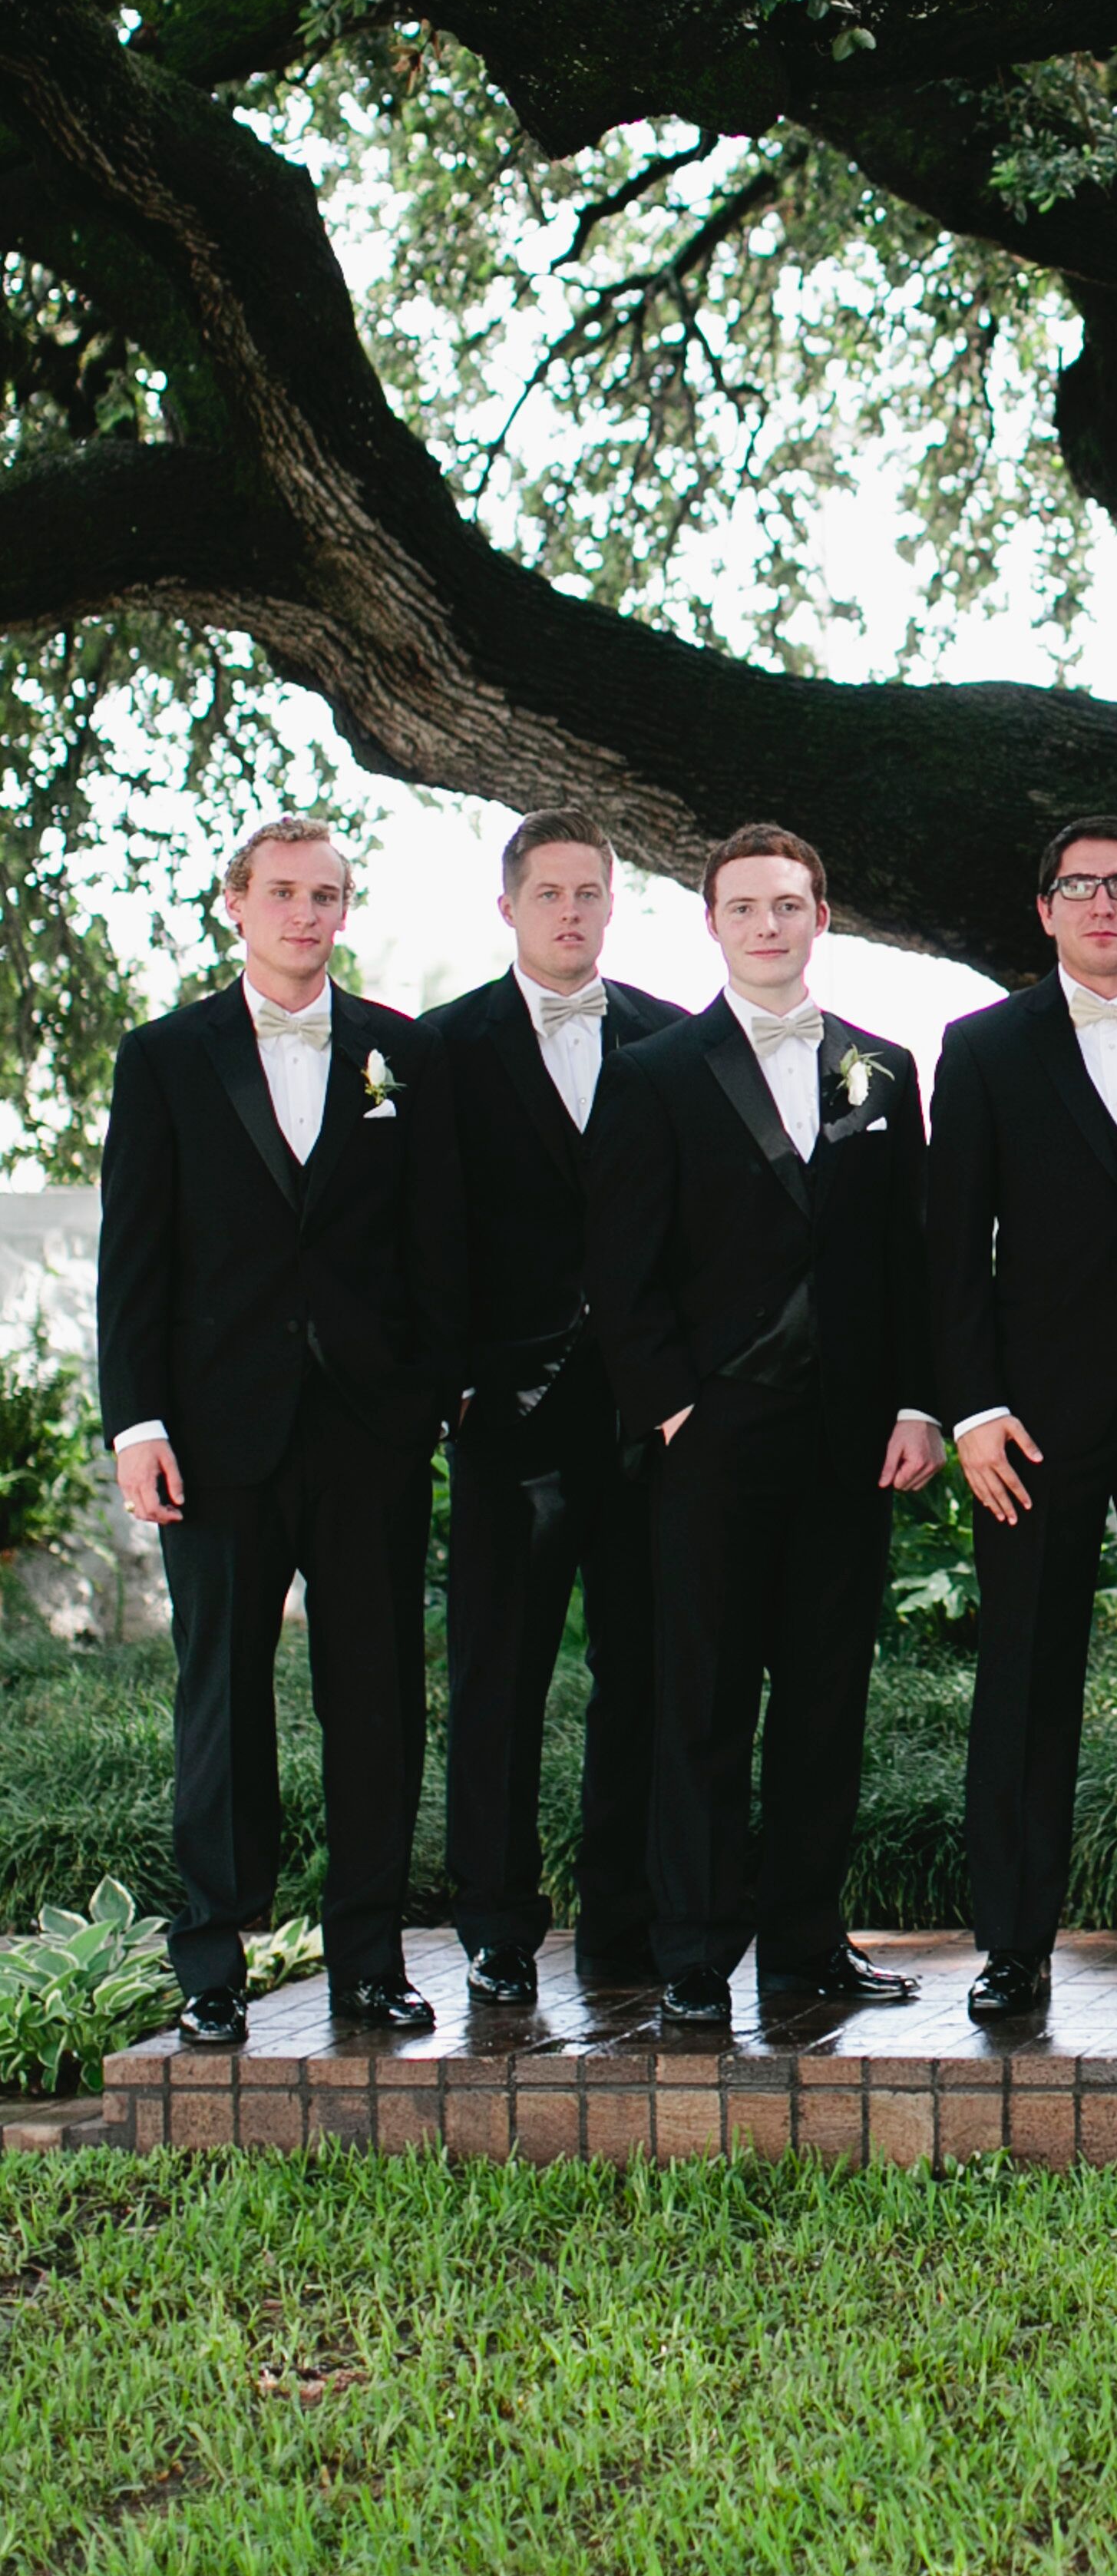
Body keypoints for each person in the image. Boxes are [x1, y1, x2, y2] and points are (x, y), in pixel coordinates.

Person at [97, 813, 447, 2044]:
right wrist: (136, 1421)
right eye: (284, 893)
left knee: (376, 1699)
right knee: (222, 1698)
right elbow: (133, 1259)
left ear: (346, 911)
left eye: (328, 895)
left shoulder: (399, 1053)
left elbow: (432, 1246)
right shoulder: (165, 1058)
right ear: (236, 903)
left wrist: (430, 1398)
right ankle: (211, 1962)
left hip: (368, 1435)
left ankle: (367, 1958)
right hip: (215, 1435)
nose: (307, 914)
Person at [585, 825, 940, 2026]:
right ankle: (692, 1954)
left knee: (827, 1699)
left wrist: (916, 1402)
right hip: (714, 1440)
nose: (770, 925)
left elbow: (911, 1259)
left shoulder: (885, 1070)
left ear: (822, 916)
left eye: (790, 904)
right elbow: (619, 1270)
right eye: (746, 907)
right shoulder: (654, 1070)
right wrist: (677, 1407)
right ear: (715, 925)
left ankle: (804, 1946)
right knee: (701, 1702)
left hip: (851, 1437)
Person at [925, 812, 1117, 2026]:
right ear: (1044, 909)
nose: (1102, 904)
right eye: (1076, 886)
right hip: (1033, 1422)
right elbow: (951, 1246)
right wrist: (975, 1408)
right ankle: (1012, 1948)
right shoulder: (983, 1046)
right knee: (1025, 1682)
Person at [408, 812, 684, 2009]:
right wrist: (453, 1382)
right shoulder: (438, 1047)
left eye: (591, 891)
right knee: (498, 1678)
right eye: (550, 892)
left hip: (641, 1417)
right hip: (506, 1414)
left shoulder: (672, 1039)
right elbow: (412, 1231)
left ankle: (621, 1920)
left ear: (613, 905)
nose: (572, 911)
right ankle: (496, 1925)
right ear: (509, 907)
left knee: (643, 1674)